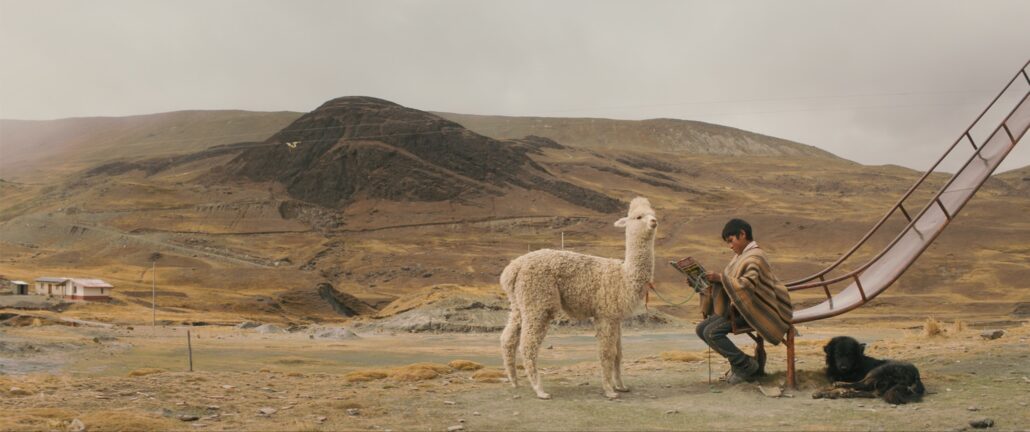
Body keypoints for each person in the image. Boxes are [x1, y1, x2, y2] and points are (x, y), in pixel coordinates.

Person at [695, 218, 794, 383]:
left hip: (756, 310)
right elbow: (731, 283)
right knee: (701, 329)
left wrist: (720, 277)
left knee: (711, 332)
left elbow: (747, 285)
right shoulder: (740, 256)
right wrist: (701, 283)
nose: (730, 246)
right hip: (739, 307)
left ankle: (745, 365)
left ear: (742, 234)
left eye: (731, 240)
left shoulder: (756, 256)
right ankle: (743, 363)